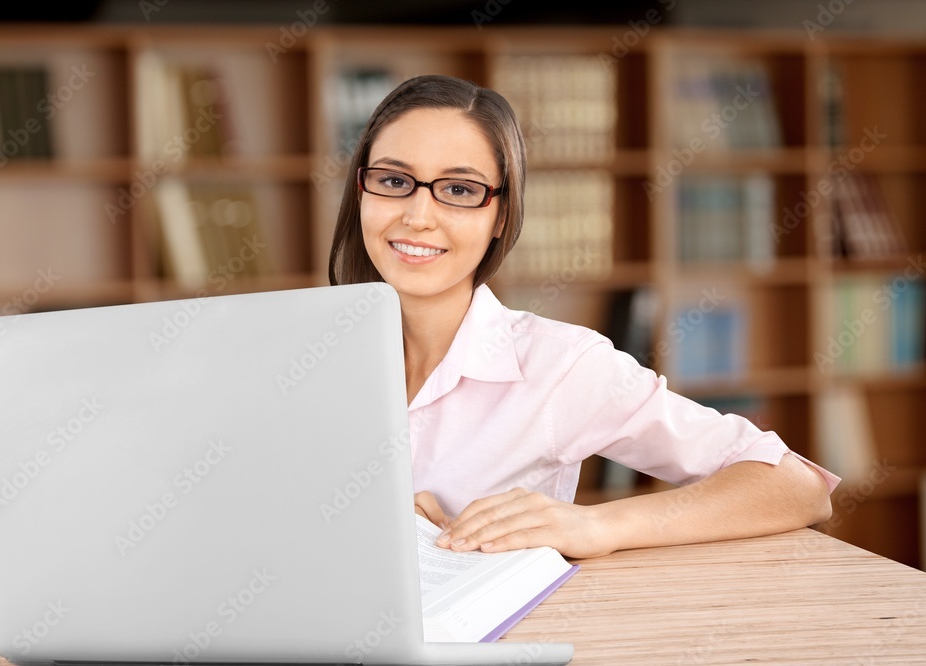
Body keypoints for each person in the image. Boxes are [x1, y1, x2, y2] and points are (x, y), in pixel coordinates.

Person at [328, 73, 839, 560]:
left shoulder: (558, 367)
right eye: (393, 180)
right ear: (361, 190)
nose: (417, 216)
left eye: (460, 190)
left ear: (501, 216)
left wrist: (596, 525)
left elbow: (795, 486)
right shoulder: (306, 355)